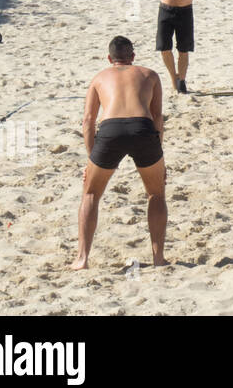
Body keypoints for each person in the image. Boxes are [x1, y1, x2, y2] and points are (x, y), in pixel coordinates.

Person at [71, 36, 167, 270]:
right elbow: (157, 119)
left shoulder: (99, 77)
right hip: (142, 128)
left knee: (91, 194)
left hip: (110, 129)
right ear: (133, 57)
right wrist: (159, 152)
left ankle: (82, 259)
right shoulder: (149, 74)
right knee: (156, 194)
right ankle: (158, 258)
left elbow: (88, 122)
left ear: (109, 58)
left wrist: (92, 158)